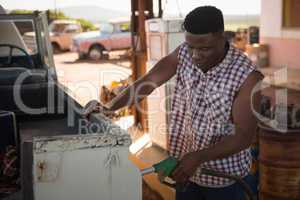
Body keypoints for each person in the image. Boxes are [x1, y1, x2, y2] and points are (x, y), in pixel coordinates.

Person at [84, 6, 264, 200]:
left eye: (204, 48)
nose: (195, 55)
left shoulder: (247, 77)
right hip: (184, 171)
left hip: (224, 181)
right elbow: (148, 81)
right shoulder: (184, 53)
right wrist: (110, 108)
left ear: (222, 36)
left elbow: (243, 137)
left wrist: (199, 157)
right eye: (191, 46)